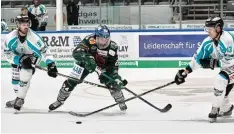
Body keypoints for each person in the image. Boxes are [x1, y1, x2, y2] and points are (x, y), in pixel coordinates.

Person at [49, 25, 128, 112]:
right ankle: (59, 100)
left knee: (113, 83)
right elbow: (76, 52)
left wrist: (115, 77)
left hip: (103, 66)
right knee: (71, 81)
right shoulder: (89, 40)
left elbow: (113, 66)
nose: (104, 41)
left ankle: (120, 100)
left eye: (106, 38)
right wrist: (87, 58)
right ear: (96, 37)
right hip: (85, 63)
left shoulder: (113, 47)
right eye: (102, 38)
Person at [174, 16, 234, 123]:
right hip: (228, 68)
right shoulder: (207, 42)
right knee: (223, 81)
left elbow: (229, 62)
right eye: (207, 29)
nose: (208, 32)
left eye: (210, 29)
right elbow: (198, 58)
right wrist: (186, 71)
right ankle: (226, 108)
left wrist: (212, 63)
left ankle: (215, 108)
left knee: (221, 80)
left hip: (232, 64)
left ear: (218, 28)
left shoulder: (228, 40)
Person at [3, 15, 58, 111]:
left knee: (25, 75)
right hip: (17, 57)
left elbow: (45, 51)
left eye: (27, 23)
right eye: (23, 24)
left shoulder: (35, 38)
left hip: (32, 57)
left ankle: (20, 99)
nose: (26, 26)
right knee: (15, 80)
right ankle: (17, 97)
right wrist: (18, 59)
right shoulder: (10, 37)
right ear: (18, 25)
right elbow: (7, 54)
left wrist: (51, 64)